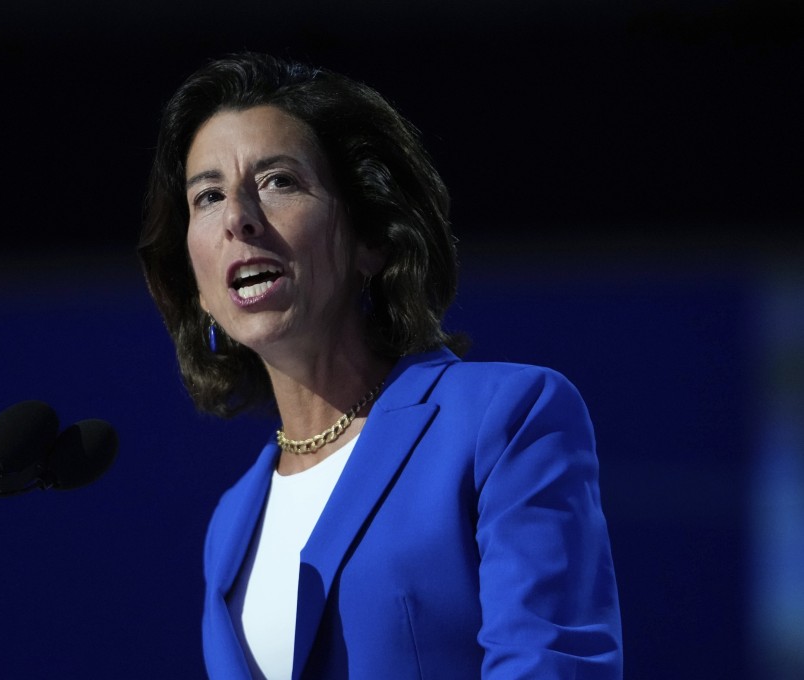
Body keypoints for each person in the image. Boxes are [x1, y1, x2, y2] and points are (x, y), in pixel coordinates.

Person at [138, 52, 622, 679]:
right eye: (207, 195)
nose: (238, 218)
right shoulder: (232, 521)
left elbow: (553, 666)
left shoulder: (503, 419)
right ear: (198, 282)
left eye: (279, 181)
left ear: (371, 237)